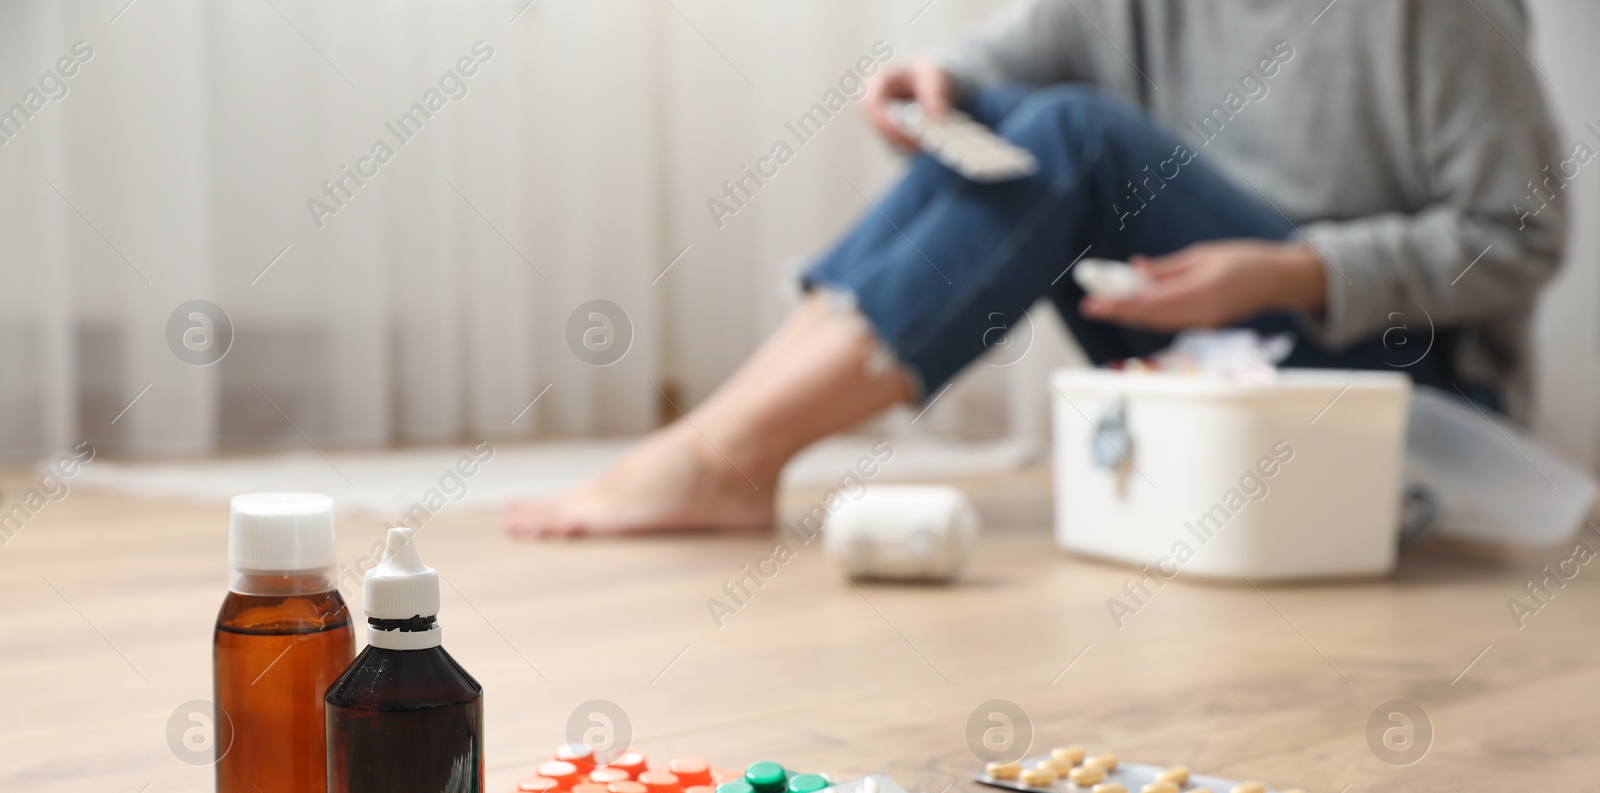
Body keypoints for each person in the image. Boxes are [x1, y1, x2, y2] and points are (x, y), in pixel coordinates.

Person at [507, 0, 1566, 537]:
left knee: (1074, 136)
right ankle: (720, 448)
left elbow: (1521, 234)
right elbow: (1012, 58)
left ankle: (725, 456)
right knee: (1015, 122)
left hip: (1392, 389)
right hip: (1204, 353)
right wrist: (942, 80)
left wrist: (1284, 272)